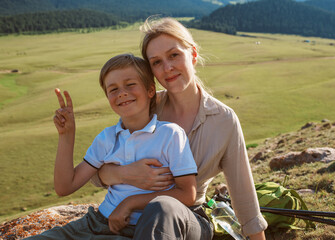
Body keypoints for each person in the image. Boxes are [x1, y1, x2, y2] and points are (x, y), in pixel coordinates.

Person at [95, 18, 268, 239]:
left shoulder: (224, 120)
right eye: (156, 62)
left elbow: (244, 197)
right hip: (132, 219)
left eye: (174, 55)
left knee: (163, 207)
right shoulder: (146, 108)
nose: (167, 68)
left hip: (188, 219)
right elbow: (98, 172)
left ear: (193, 54)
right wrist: (125, 173)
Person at [26, 53, 198, 239]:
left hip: (145, 229)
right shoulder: (106, 138)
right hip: (98, 222)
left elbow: (187, 193)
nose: (122, 93)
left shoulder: (170, 134)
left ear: (150, 90)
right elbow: (64, 187)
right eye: (113, 89)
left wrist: (129, 203)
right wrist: (66, 135)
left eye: (130, 84)